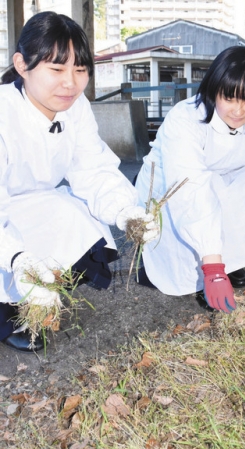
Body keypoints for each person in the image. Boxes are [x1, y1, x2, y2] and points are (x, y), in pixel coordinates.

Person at [0, 12, 159, 353]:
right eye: (56, 70)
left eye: (80, 70)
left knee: (74, 214)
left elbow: (93, 169)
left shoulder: (75, 107)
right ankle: (10, 311)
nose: (71, 83)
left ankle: (33, 304)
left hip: (33, 202)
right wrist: (14, 256)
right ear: (22, 64)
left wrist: (127, 212)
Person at [134, 45, 245, 313]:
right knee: (207, 192)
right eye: (230, 98)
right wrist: (212, 268)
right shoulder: (186, 118)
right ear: (214, 89)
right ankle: (204, 264)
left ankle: (229, 260)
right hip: (169, 193)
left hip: (217, 183)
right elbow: (190, 188)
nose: (238, 111)